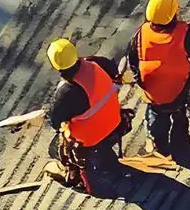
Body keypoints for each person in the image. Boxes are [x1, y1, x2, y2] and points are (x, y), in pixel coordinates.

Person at [126, 0, 190, 157]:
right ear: (173, 15)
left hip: (155, 93)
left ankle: (160, 145)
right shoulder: (189, 34)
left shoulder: (140, 35)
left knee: (157, 116)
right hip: (184, 88)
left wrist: (145, 84)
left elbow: (134, 63)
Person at [43, 38, 131, 194]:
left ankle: (81, 176)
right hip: (116, 121)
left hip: (93, 140)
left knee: (55, 148)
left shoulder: (65, 93)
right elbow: (114, 73)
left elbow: (55, 122)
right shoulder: (97, 63)